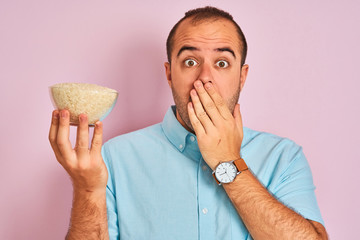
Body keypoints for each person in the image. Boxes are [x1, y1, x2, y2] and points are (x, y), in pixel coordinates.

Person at [49, 6, 328, 240]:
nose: (204, 77)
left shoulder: (283, 157)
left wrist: (227, 162)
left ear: (242, 77)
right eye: (191, 61)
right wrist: (87, 189)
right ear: (169, 74)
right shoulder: (113, 158)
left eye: (222, 63)